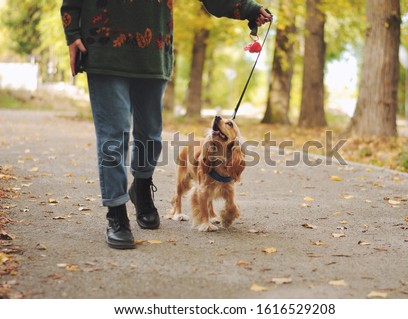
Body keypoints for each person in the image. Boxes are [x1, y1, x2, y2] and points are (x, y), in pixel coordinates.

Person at [60, 0, 271, 250]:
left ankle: (141, 187)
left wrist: (246, 8)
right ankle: (116, 214)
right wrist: (72, 33)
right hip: (105, 47)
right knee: (113, 136)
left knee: (150, 134)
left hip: (154, 50)